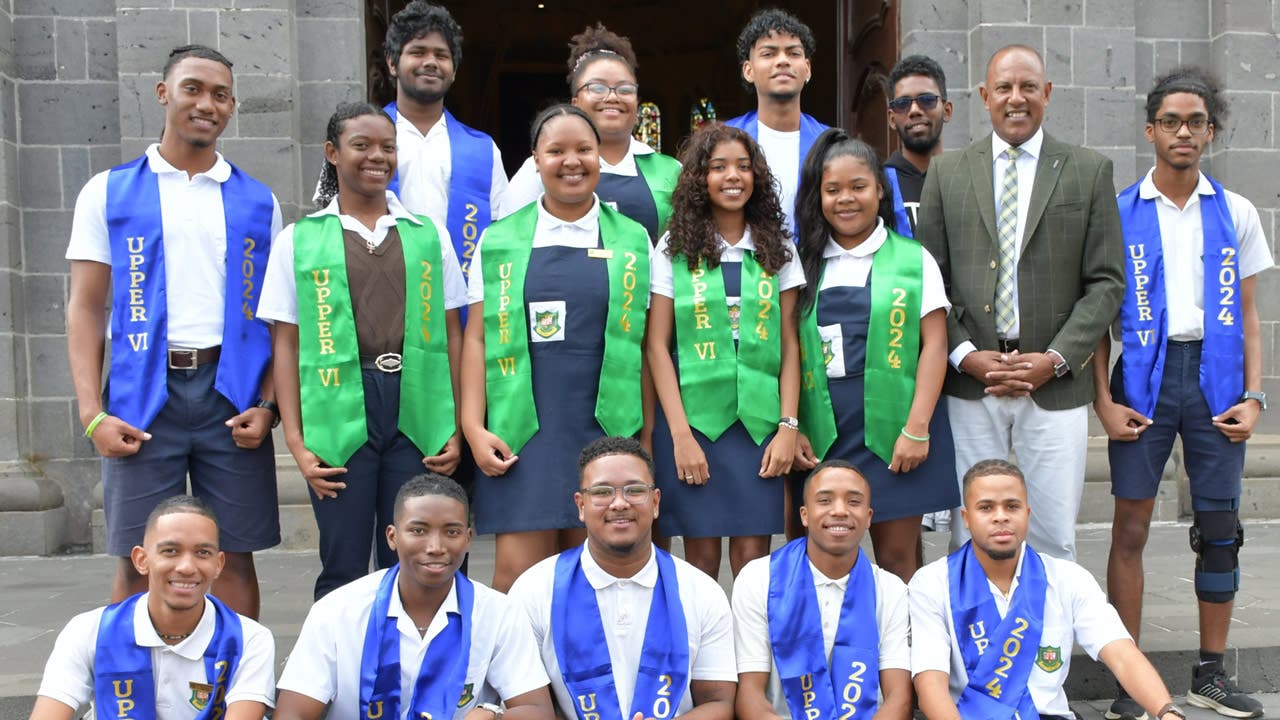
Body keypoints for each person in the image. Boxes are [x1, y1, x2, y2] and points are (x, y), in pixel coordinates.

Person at [64, 44, 282, 618]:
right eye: (193, 89)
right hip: (142, 392)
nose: (206, 104)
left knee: (233, 555)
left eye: (220, 95)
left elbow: (279, 316)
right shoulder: (108, 191)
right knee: (139, 556)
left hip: (229, 394)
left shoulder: (258, 200)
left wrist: (271, 404)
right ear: (163, 93)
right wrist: (92, 413)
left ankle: (237, 688)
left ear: (232, 106)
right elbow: (85, 307)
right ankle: (132, 691)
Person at [1095, 68, 1272, 720]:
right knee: (1132, 527)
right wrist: (1101, 402)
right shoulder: (1117, 211)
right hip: (1141, 377)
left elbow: (1252, 315)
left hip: (1216, 378)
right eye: (1170, 120)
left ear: (1211, 131)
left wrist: (1255, 396)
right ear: (1150, 130)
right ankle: (1130, 677)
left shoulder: (1237, 211)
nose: (1183, 131)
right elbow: (1098, 320)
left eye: (1195, 121)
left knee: (1220, 529)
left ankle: (1211, 674)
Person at [916, 44, 1125, 560]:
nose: (1016, 98)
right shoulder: (948, 174)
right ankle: (975, 640)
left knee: (1053, 534)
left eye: (1028, 87)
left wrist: (1054, 360)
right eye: (1004, 88)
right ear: (984, 98)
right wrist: (964, 354)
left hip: (1054, 384)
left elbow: (1106, 282)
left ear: (1047, 94)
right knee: (971, 532)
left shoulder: (1088, 171)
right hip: (970, 383)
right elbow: (929, 280)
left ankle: (1046, 642)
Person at [258, 102, 467, 599]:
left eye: (388, 147)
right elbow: (285, 343)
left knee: (420, 551)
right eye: (362, 145)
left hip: (418, 405)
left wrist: (457, 425)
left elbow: (454, 333)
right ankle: (342, 670)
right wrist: (295, 441)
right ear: (332, 153)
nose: (378, 156)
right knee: (344, 557)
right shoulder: (299, 240)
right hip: (339, 406)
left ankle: (428, 664)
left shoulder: (427, 234)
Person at [461, 104, 650, 592]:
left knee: (593, 574)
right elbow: (478, 335)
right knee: (517, 577)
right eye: (557, 150)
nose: (572, 161)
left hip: (606, 422)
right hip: (525, 428)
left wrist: (645, 436)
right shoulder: (500, 239)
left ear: (599, 158)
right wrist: (473, 427)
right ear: (536, 160)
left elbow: (646, 344)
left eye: (584, 149)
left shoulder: (633, 240)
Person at [792, 129, 956, 581]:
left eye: (858, 187)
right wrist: (794, 425)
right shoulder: (800, 261)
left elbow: (935, 346)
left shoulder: (911, 258)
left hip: (893, 430)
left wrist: (917, 428)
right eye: (833, 190)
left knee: (897, 559)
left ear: (880, 190)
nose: (846, 199)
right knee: (818, 561)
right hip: (822, 430)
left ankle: (900, 651)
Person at [909, 460, 1185, 720]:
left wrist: (1168, 711)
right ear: (966, 518)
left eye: (1012, 506)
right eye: (986, 508)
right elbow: (930, 681)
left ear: (1027, 514)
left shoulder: (1068, 578)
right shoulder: (932, 582)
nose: (1001, 517)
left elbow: (1123, 655)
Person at [648, 123, 803, 579]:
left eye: (743, 166)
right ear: (700, 178)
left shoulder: (777, 248)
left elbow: (791, 344)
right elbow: (657, 346)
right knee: (699, 560)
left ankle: (750, 654)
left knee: (753, 562)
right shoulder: (673, 249)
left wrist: (788, 427)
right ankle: (704, 652)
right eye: (718, 167)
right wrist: (679, 436)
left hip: (759, 427)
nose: (732, 176)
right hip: (695, 424)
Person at [273, 474, 555, 720]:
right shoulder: (337, 610)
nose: (435, 546)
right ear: (392, 537)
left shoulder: (498, 613)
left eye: (452, 532)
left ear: (468, 539)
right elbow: (292, 712)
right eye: (418, 530)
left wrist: (493, 714)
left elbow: (537, 710)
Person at [508, 437, 737, 720]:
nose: (619, 503)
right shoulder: (534, 590)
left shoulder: (701, 591)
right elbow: (528, 707)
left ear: (655, 503)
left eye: (634, 490)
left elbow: (719, 702)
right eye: (602, 492)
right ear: (581, 505)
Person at [29, 496, 276, 720]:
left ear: (218, 564)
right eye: (170, 551)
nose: (187, 567)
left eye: (202, 552)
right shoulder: (87, 631)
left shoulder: (249, 639)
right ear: (141, 560)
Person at [732, 460, 912, 720]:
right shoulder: (758, 578)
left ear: (869, 517)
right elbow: (750, 694)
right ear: (804, 515)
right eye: (825, 500)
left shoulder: (891, 589)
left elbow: (899, 698)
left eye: (853, 502)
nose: (839, 511)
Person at [503, 23, 681, 244]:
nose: (612, 97)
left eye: (625, 89)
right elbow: (509, 245)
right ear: (575, 102)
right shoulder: (540, 170)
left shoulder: (671, 171)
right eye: (598, 88)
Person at [379, 1, 506, 282]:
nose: (431, 62)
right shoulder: (361, 142)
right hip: (383, 296)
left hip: (459, 302)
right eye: (417, 52)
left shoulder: (483, 150)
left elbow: (502, 235)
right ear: (392, 62)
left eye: (441, 55)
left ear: (454, 69)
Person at [724, 8, 828, 234]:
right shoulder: (723, 140)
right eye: (769, 53)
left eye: (793, 53)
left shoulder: (830, 143)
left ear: (807, 69)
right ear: (748, 70)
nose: (782, 61)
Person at [883, 54, 952, 239]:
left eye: (927, 100)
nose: (914, 110)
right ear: (891, 118)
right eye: (903, 104)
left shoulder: (967, 180)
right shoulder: (879, 185)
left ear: (947, 110)